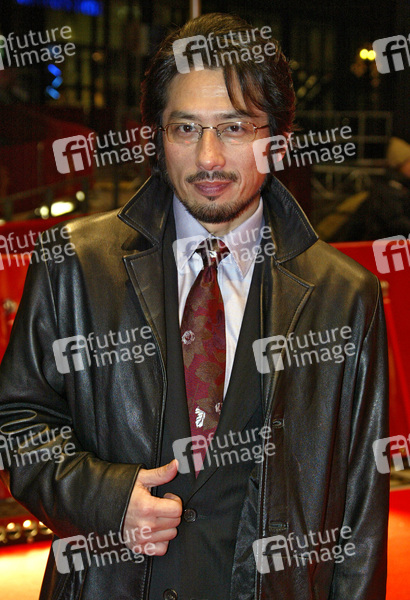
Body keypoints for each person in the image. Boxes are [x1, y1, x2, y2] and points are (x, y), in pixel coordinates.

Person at [0, 12, 389, 600]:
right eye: (185, 128)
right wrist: (103, 498)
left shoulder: (344, 296)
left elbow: (361, 505)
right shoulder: (74, 264)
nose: (208, 158)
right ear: (156, 138)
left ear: (278, 140)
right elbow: (18, 421)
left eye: (234, 127)